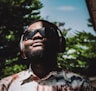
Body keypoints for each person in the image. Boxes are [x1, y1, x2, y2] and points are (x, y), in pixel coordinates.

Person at [0, 20, 93, 91]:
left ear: (59, 44)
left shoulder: (81, 85)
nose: (37, 36)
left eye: (46, 32)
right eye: (29, 34)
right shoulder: (5, 86)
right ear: (22, 49)